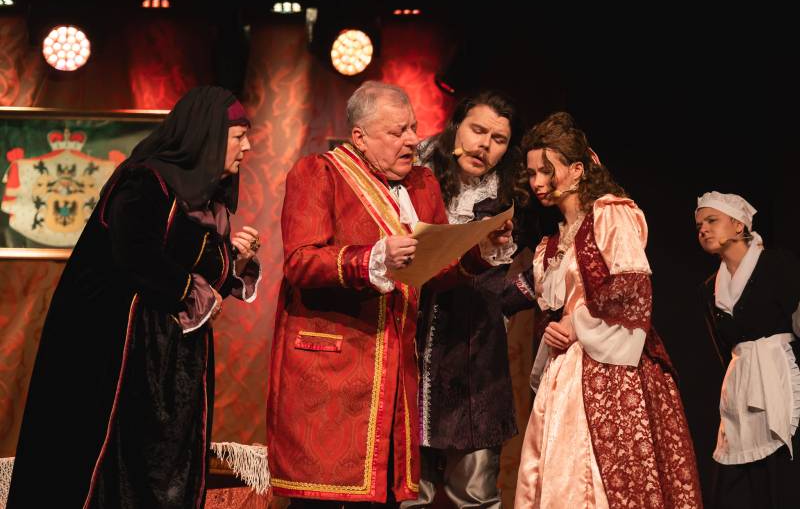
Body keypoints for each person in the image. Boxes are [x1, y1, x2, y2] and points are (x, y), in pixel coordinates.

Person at [7, 86, 261, 509]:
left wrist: (232, 261)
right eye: (239, 136)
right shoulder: (147, 181)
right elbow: (135, 255)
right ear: (209, 136)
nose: (247, 147)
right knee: (115, 463)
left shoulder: (207, 199)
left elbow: (196, 278)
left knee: (167, 464)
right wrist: (193, 284)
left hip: (173, 356)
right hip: (119, 347)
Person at [266, 81, 511, 507]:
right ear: (359, 137)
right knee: (324, 499)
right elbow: (300, 261)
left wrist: (479, 251)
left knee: (387, 497)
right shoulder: (319, 173)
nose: (412, 140)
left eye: (413, 128)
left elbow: (437, 270)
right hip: (332, 372)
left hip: (395, 373)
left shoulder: (422, 184)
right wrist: (371, 257)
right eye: (397, 132)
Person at [503, 112, 702, 508]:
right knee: (560, 477)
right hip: (565, 373)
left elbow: (632, 288)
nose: (538, 182)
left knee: (602, 477)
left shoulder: (610, 214)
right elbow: (521, 298)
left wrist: (575, 324)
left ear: (577, 170)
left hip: (612, 363)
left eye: (547, 171)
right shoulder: (551, 245)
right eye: (532, 173)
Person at [403, 90, 527, 508]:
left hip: (475, 359)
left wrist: (512, 297)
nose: (484, 145)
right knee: (408, 492)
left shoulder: (510, 195)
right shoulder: (415, 179)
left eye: (498, 139)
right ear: (456, 127)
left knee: (474, 495)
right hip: (413, 348)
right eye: (477, 130)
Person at [695, 191, 800, 509]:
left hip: (782, 377)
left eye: (712, 220)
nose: (703, 229)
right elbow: (722, 349)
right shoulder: (709, 289)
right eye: (699, 225)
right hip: (740, 388)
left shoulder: (776, 264)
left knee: (781, 479)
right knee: (734, 488)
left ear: (739, 225)